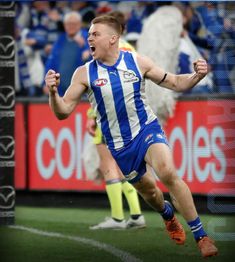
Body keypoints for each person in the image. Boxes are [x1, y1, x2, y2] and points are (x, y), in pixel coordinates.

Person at [45, 15, 218, 258]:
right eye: (89, 34)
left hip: (147, 129)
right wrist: (53, 92)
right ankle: (167, 215)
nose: (89, 38)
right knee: (151, 193)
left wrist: (196, 76)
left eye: (95, 34)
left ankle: (202, 237)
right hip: (120, 145)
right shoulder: (83, 74)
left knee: (167, 172)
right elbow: (62, 112)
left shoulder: (138, 62)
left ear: (113, 38)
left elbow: (176, 83)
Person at [86, 11, 146, 230]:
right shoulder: (132, 51)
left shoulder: (108, 50)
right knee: (124, 168)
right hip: (131, 116)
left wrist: (92, 115)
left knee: (108, 165)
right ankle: (137, 215)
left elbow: (101, 83)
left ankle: (118, 218)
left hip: (109, 115)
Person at [43, 11, 90, 96]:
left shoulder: (88, 38)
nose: (71, 26)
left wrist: (84, 47)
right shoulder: (60, 40)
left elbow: (94, 61)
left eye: (74, 24)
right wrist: (45, 83)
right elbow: (51, 63)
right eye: (68, 24)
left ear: (80, 24)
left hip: (82, 91)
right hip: (61, 90)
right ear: (64, 25)